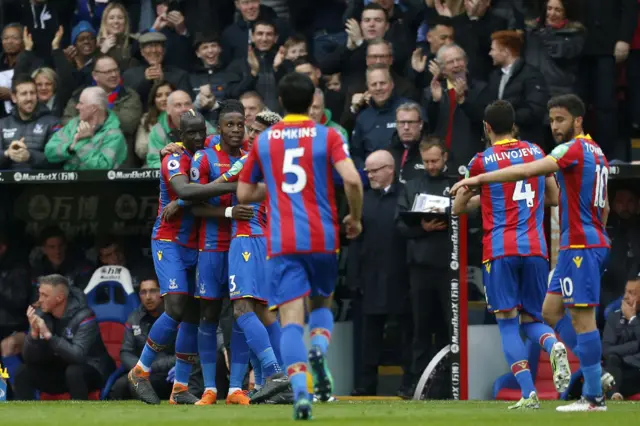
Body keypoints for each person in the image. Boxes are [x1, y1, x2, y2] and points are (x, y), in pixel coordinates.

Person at [451, 94, 610, 412]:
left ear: (486, 127)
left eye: (559, 119)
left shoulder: (484, 159)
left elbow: (458, 208)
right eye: (551, 120)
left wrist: (479, 186)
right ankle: (556, 346)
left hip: (504, 248)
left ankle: (549, 392)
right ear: (514, 125)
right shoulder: (581, 151)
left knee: (513, 323)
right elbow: (553, 197)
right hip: (540, 248)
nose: (554, 126)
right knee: (545, 315)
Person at [237, 72, 363, 420]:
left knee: (290, 320)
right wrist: (354, 216)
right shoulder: (328, 135)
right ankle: (319, 349)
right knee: (323, 302)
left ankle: (302, 395)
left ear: (280, 101)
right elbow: (352, 179)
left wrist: (274, 190)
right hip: (323, 236)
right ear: (312, 104)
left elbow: (244, 194)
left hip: (283, 239)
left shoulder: (265, 141)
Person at [127, 109, 238, 405]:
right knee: (175, 306)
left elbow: (228, 138)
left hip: (195, 245)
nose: (198, 137)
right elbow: (183, 188)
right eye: (191, 133)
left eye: (201, 131)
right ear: (179, 135)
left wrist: (185, 200)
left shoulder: (207, 148)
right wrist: (233, 185)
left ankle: (179, 387)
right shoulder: (173, 157)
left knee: (191, 313)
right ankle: (140, 370)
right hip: (170, 241)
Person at [13, 274, 115, 400]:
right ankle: (26, 417)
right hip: (60, 370)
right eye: (39, 294)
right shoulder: (42, 314)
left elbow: (78, 356)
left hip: (91, 371)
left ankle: (81, 415)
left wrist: (49, 336)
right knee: (23, 371)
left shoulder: (85, 316)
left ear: (60, 298)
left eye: (45, 295)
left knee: (74, 372)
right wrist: (33, 336)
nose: (39, 300)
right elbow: (29, 358)